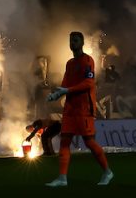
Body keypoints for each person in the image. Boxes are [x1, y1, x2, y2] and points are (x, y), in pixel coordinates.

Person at [45, 31, 113, 187]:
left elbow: (89, 83)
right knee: (65, 141)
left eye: (75, 40)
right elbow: (65, 84)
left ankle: (107, 172)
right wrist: (55, 95)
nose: (72, 43)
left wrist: (66, 91)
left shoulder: (87, 60)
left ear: (82, 43)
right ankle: (62, 178)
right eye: (71, 40)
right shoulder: (69, 63)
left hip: (84, 108)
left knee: (89, 142)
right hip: (70, 108)